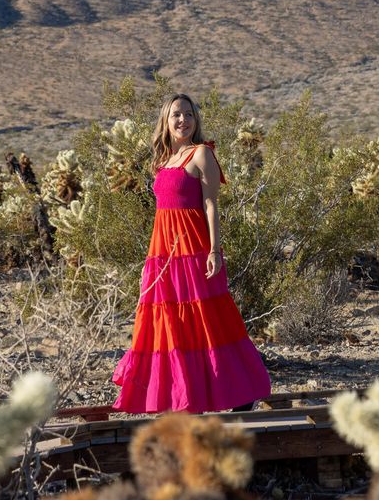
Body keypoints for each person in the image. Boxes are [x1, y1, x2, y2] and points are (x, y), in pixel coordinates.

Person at [112, 92, 271, 414]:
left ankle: (242, 393)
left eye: (188, 114)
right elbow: (163, 213)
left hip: (194, 249)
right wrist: (152, 261)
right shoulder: (162, 162)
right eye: (176, 115)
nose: (183, 120)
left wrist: (214, 250)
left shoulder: (202, 154)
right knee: (172, 324)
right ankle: (186, 397)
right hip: (164, 254)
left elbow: (211, 205)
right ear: (166, 121)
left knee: (208, 320)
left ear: (196, 120)